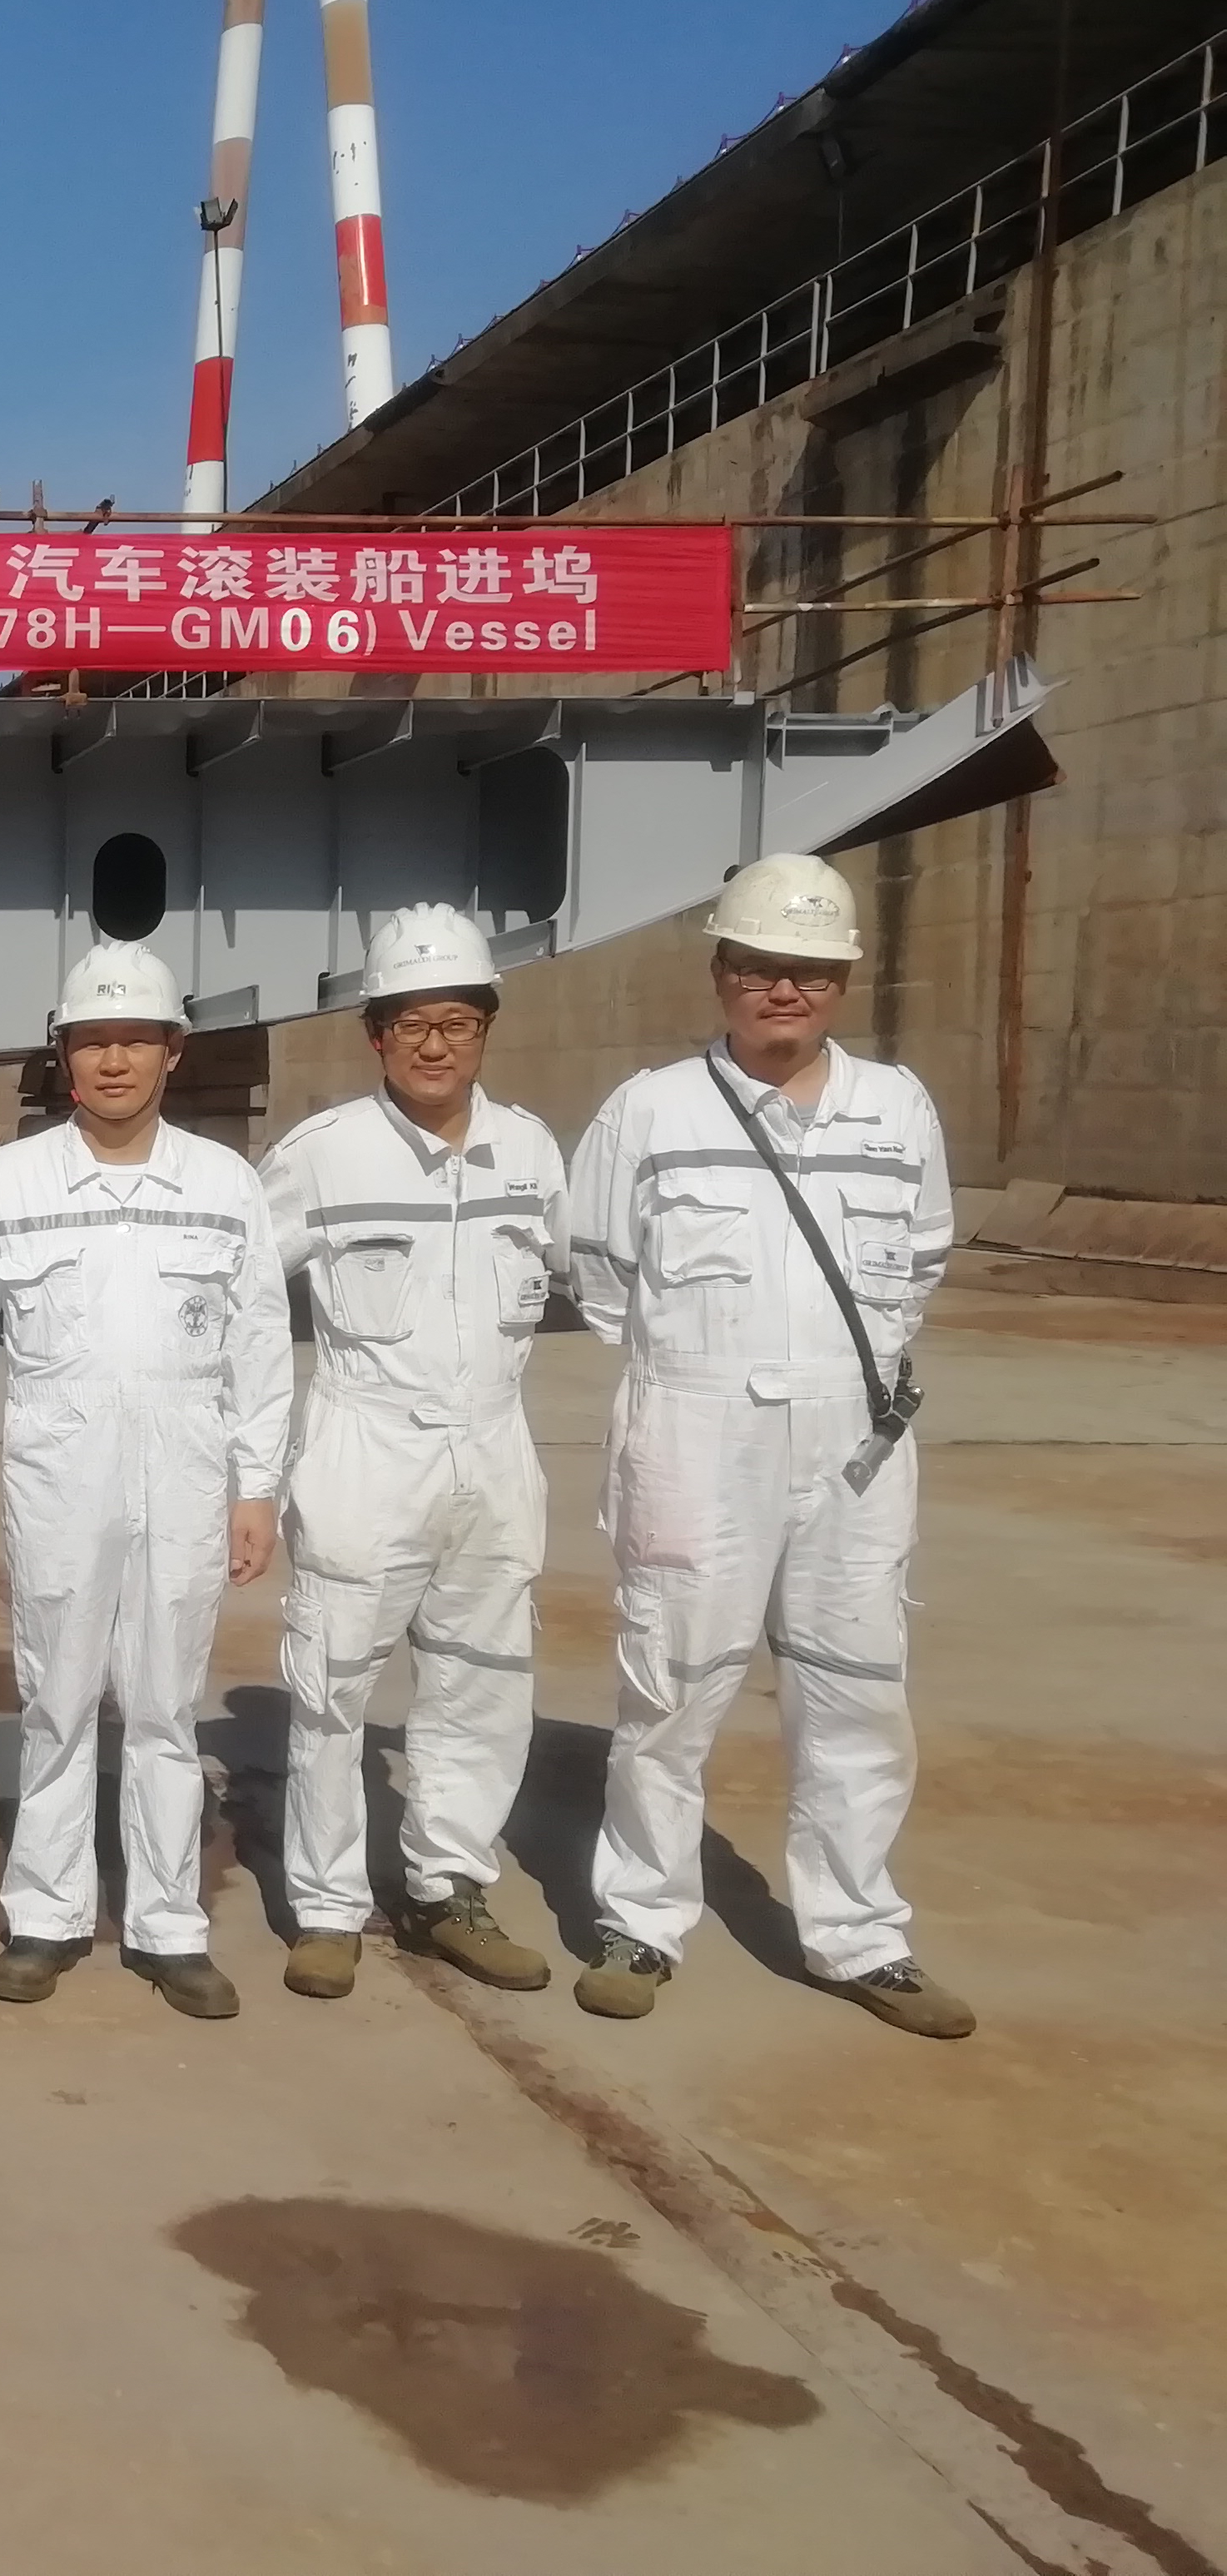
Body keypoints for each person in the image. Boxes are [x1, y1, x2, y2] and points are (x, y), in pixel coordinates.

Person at [566, 856, 968, 2037]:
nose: (782, 989)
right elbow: (600, 1273)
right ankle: (640, 1922)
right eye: (757, 967)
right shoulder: (652, 1110)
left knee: (856, 1688)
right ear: (720, 973)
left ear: (842, 981)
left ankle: (858, 1937)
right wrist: (704, 1368)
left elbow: (923, 1255)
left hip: (854, 1444)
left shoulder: (896, 1109)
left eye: (809, 970)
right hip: (696, 1432)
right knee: (670, 1684)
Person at [0, 941, 289, 2021]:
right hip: (59, 1477)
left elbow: (259, 1345)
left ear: (173, 1052)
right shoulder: (12, 1182)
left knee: (166, 1708)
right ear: (64, 1056)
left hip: (184, 1479)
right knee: (55, 1699)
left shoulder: (223, 1185)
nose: (114, 1060)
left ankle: (168, 1925)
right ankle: (44, 1916)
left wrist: (255, 1488)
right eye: (93, 1041)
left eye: (135, 1039)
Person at [259, 905, 569, 2002]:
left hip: (493, 1452)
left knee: (482, 1685)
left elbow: (570, 1272)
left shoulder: (528, 1150)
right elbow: (241, 1293)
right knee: (331, 1689)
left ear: (485, 1027)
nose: (435, 1045)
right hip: (365, 1453)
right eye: (411, 1024)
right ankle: (327, 1909)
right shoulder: (322, 1156)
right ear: (375, 1036)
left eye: (457, 1022)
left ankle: (449, 1891)